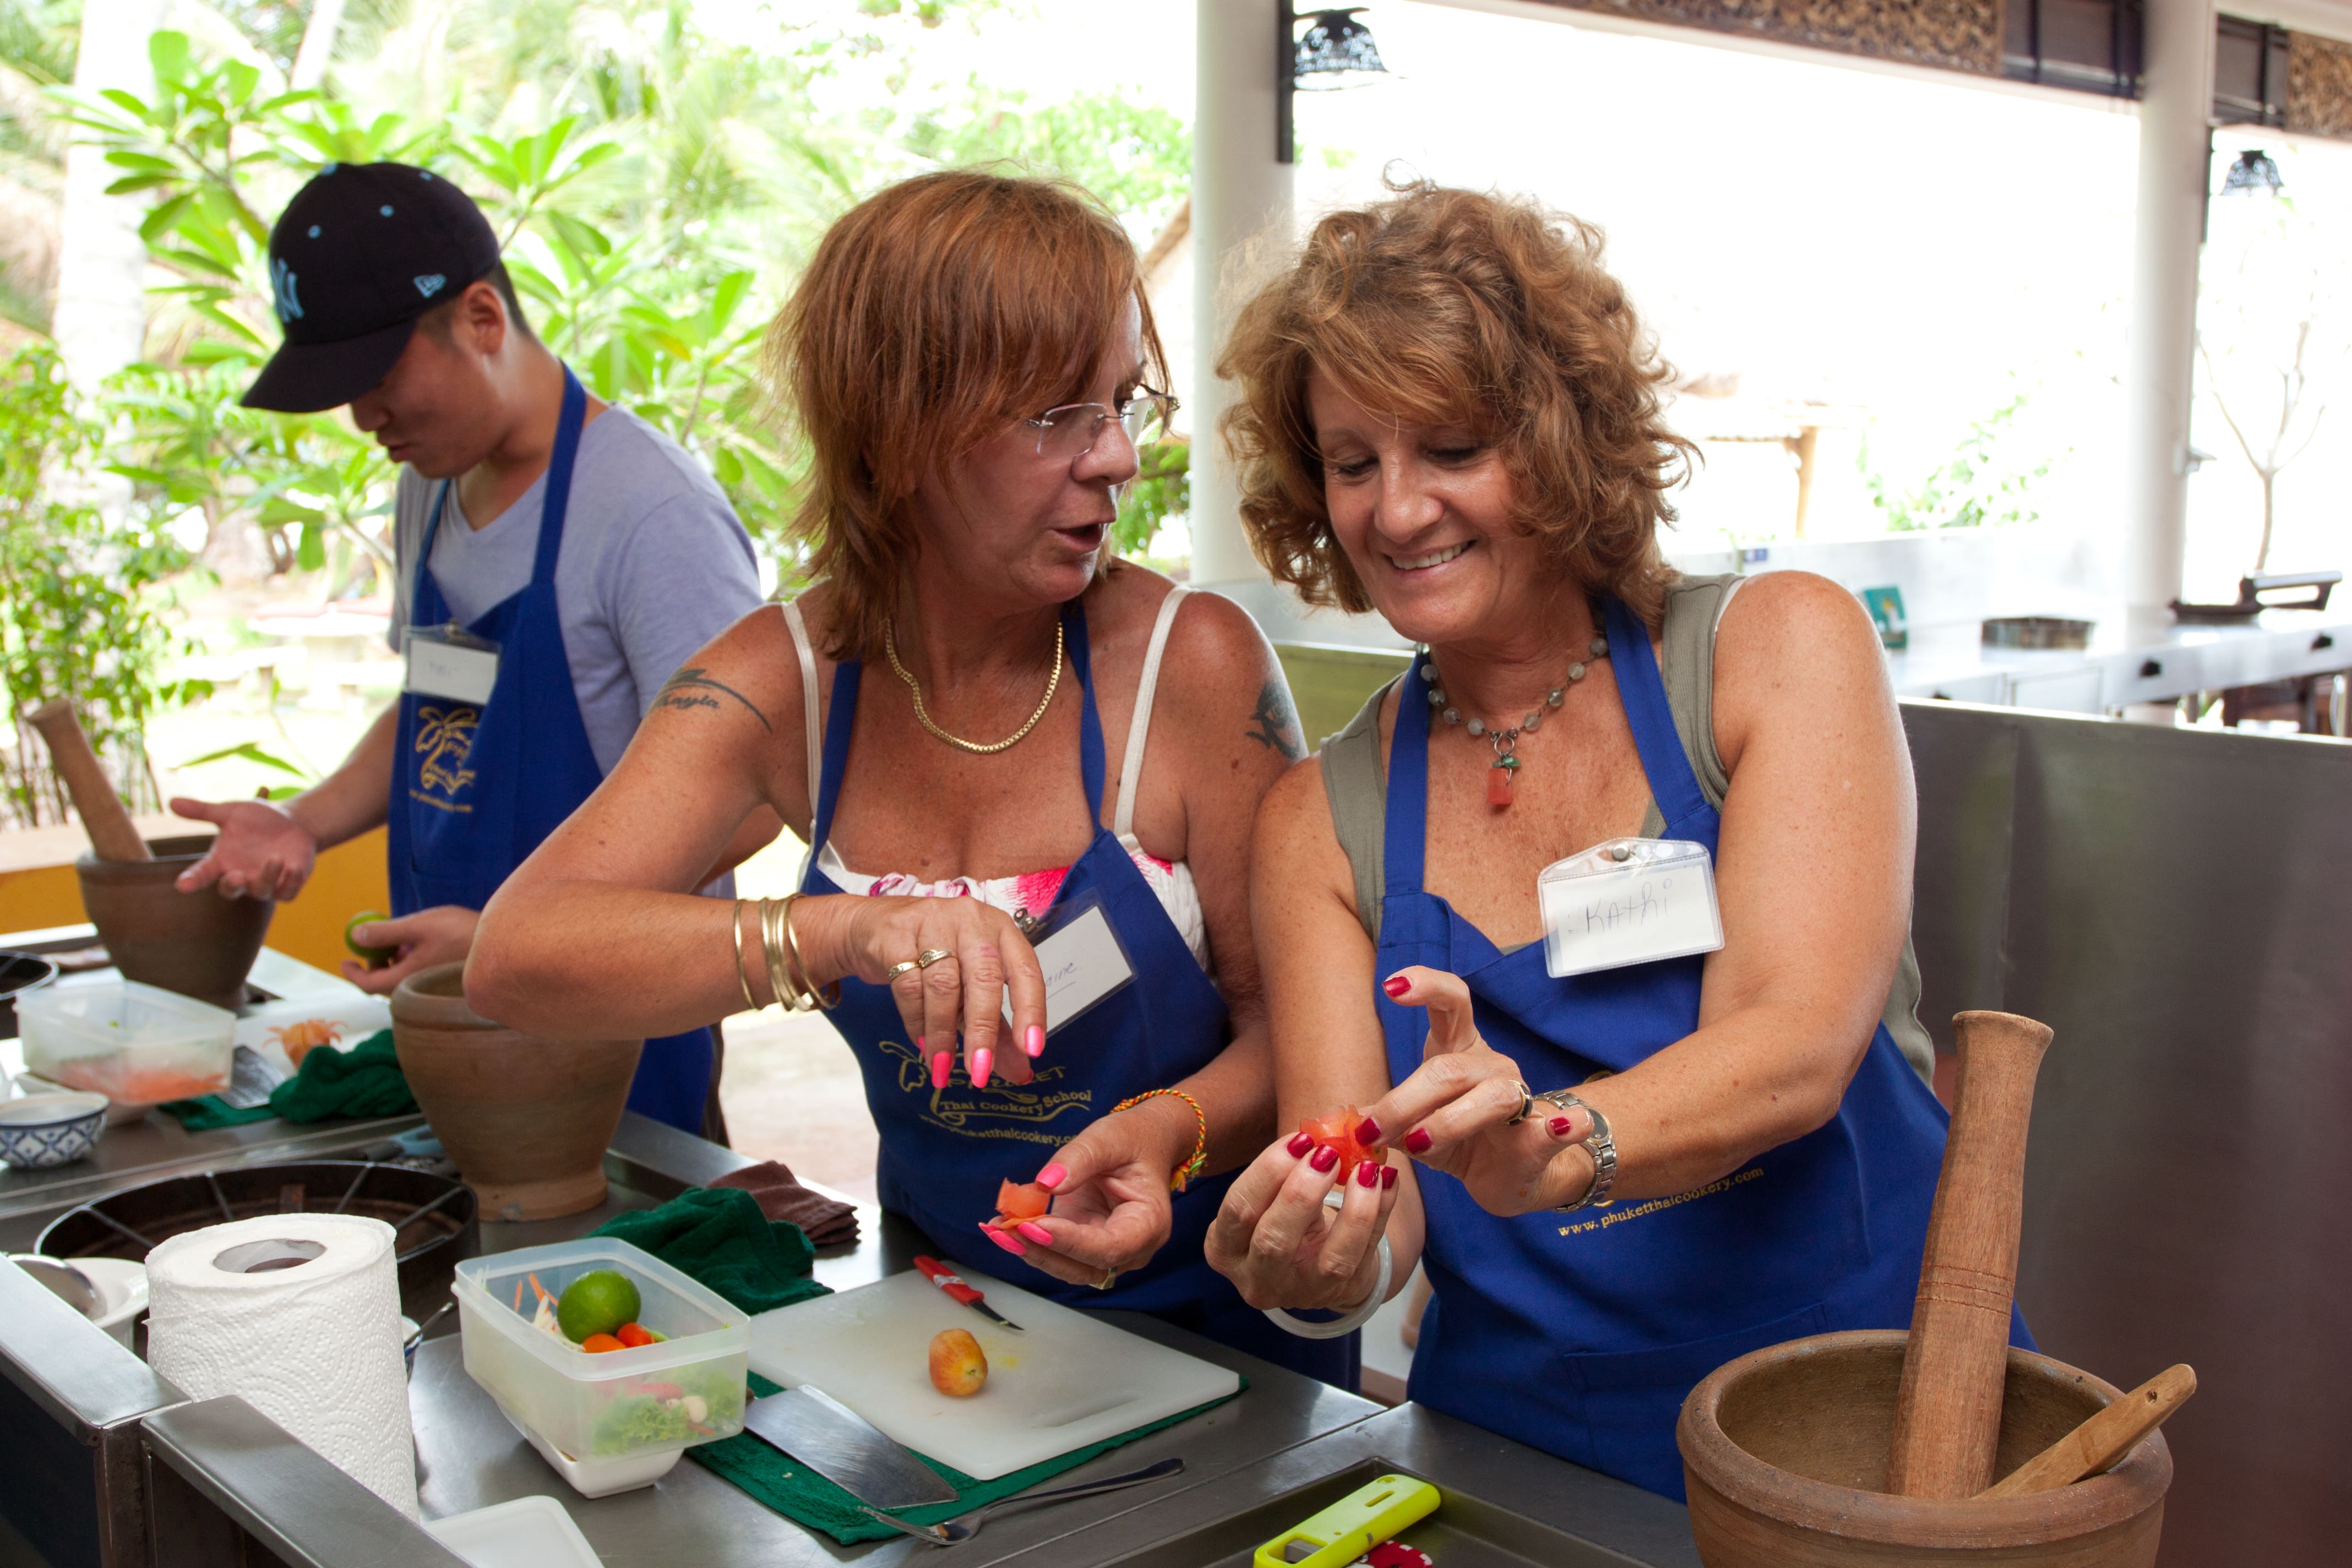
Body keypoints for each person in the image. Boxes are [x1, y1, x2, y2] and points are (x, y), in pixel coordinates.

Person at [1200, 183, 2029, 1496]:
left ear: (1561, 437)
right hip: (1532, 1455)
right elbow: (1369, 1184)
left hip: (1875, 1421)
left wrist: (1551, 1138)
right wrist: (1322, 1263)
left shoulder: (1776, 650)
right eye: (1354, 462)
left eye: (1453, 448)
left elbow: (1794, 1044)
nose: (1397, 509)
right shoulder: (1320, 819)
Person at [468, 171, 1353, 1384]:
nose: (1117, 461)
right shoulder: (790, 679)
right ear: (900, 434)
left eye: (1122, 403)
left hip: (1222, 1344)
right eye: (1058, 414)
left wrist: (1166, 1131)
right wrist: (842, 930)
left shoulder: (1188, 667)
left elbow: (1297, 1031)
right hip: (942, 1331)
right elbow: (520, 953)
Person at [170, 162, 770, 1133]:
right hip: (453, 1031)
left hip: (616, 1047)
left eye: (377, 381)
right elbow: (443, 703)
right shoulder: (433, 486)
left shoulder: (651, 513)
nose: (365, 420)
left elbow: (747, 798)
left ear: (483, 319)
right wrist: (300, 824)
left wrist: (510, 939)